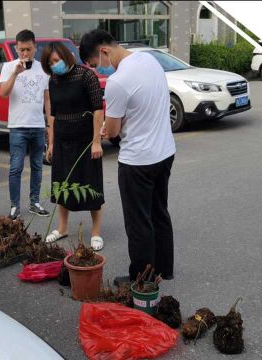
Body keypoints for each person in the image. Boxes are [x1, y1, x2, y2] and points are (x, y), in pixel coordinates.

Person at [79, 29, 176, 283]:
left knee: (138, 222)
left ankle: (141, 278)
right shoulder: (149, 60)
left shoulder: (118, 81)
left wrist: (105, 129)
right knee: (159, 212)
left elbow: (112, 131)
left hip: (138, 161)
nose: (99, 70)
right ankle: (165, 269)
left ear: (104, 51)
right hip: (164, 152)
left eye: (96, 65)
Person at [40, 42, 105, 250]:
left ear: (67, 56)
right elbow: (52, 114)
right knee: (62, 184)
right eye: (50, 63)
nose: (54, 65)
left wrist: (96, 141)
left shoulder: (86, 76)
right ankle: (62, 227)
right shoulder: (54, 80)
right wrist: (51, 143)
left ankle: (95, 233)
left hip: (86, 141)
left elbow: (97, 110)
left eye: (56, 60)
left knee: (91, 184)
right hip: (62, 140)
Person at [0, 29, 51, 220]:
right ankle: (14, 206)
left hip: (37, 125)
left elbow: (47, 100)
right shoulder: (8, 66)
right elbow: (3, 93)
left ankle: (35, 202)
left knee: (37, 166)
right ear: (16, 48)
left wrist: (49, 126)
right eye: (21, 50)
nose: (25, 53)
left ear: (35, 47)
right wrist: (15, 73)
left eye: (28, 49)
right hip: (17, 126)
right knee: (15, 167)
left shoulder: (43, 69)